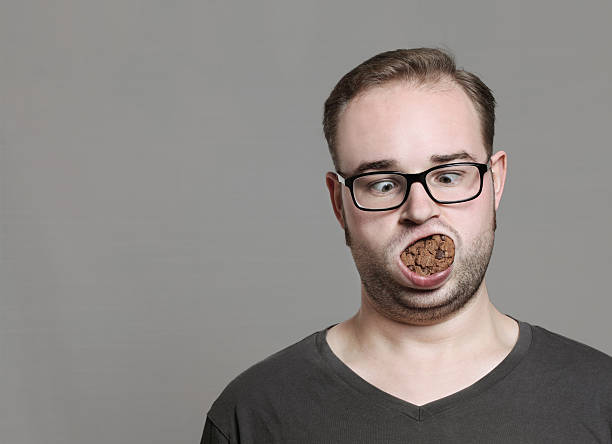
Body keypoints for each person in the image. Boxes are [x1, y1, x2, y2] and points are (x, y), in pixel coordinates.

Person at [201, 48, 612, 443]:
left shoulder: (600, 399)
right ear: (339, 204)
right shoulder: (253, 413)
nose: (420, 209)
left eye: (449, 176)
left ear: (495, 182)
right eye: (382, 183)